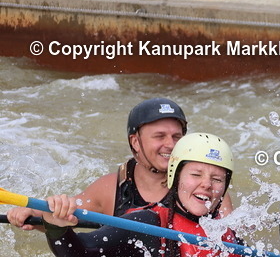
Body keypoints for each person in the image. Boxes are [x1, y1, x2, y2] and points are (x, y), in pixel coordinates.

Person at [42, 133, 244, 257]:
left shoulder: (228, 240)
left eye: (217, 179)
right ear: (175, 176)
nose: (207, 185)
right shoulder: (145, 224)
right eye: (196, 174)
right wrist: (56, 227)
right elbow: (79, 253)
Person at [5, 97, 232, 229]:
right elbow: (68, 209)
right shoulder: (111, 189)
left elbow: (229, 238)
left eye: (176, 137)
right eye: (159, 136)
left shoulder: (202, 188)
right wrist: (34, 213)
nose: (170, 145)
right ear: (135, 141)